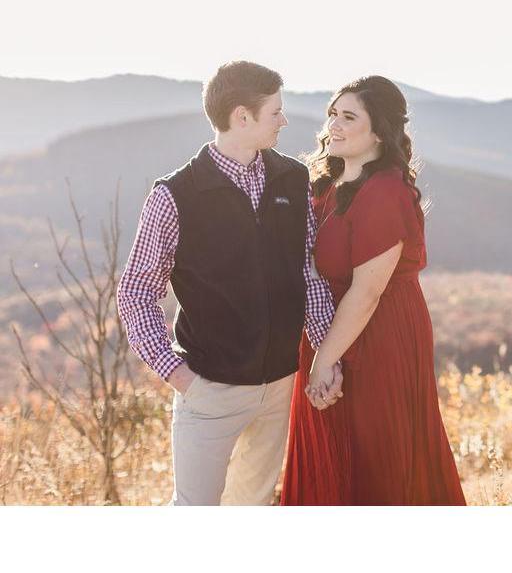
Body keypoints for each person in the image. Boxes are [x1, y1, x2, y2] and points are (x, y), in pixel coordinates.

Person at [116, 61, 342, 505]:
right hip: (209, 389)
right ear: (242, 117)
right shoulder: (175, 195)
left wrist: (325, 353)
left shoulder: (293, 179)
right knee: (195, 509)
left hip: (280, 384)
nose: (284, 120)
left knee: (252, 507)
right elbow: (137, 291)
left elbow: (308, 272)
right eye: (275, 112)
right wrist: (178, 375)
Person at [280, 75, 466, 505]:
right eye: (332, 114)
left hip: (378, 337)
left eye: (349, 117)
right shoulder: (326, 186)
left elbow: (367, 293)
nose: (334, 125)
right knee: (329, 459)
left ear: (379, 130)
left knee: (376, 461)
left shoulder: (384, 192)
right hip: (329, 335)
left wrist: (324, 361)